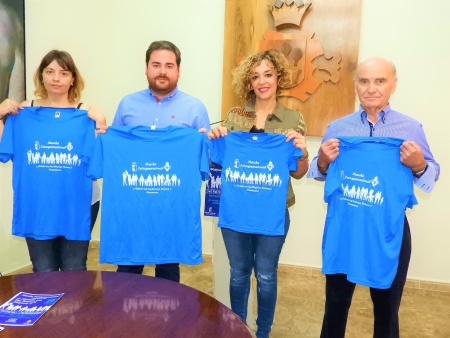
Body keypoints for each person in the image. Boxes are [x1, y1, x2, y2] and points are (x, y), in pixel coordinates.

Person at [307, 57, 440, 338]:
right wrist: (322, 162)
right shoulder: (338, 128)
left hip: (388, 230)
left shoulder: (411, 128)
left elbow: (432, 172)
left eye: (379, 81)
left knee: (387, 309)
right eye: (364, 81)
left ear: (393, 84)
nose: (371, 88)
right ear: (356, 86)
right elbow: (317, 173)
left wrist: (418, 165)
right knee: (335, 306)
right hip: (347, 228)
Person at [207, 49, 309, 338]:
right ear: (248, 82)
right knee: (238, 273)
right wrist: (215, 138)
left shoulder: (292, 118)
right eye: (255, 76)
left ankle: (263, 332)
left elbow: (299, 171)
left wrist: (301, 151)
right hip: (237, 210)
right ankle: (239, 328)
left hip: (274, 212)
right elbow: (218, 158)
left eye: (267, 74)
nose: (262, 81)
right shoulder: (234, 116)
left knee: (265, 275)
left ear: (278, 77)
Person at [111, 40, 211, 282]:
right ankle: (123, 320)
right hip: (133, 204)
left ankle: (168, 320)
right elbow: (115, 151)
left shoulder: (195, 109)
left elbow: (206, 158)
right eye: (156, 65)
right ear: (146, 68)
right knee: (128, 270)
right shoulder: (127, 105)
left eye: (169, 65)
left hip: (171, 205)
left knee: (167, 271)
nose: (162, 71)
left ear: (178, 70)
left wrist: (206, 141)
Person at [1, 50, 106, 272]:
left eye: (63, 73)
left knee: (74, 269)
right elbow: (4, 148)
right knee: (43, 270)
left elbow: (99, 164)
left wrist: (100, 125)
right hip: (37, 205)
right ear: (41, 76)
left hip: (77, 204)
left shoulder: (86, 115)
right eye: (49, 71)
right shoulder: (22, 113)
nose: (56, 78)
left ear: (73, 79)